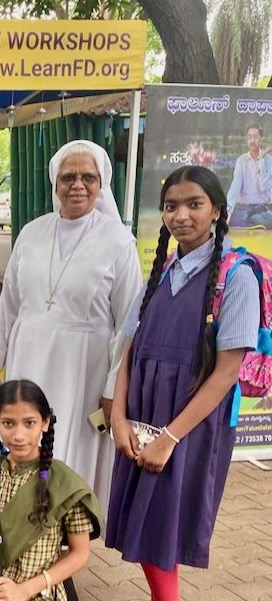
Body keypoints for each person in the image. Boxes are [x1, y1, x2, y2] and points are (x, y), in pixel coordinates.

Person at [106, 166, 260, 601]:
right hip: (142, 416)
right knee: (142, 525)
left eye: (194, 204)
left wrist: (170, 438)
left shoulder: (237, 276)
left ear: (216, 210)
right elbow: (130, 354)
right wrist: (118, 417)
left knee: (163, 529)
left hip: (188, 425)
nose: (181, 215)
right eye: (171, 205)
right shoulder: (161, 272)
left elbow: (226, 372)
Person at [0, 140, 142, 514]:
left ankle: (65, 535)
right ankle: (24, 526)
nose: (78, 185)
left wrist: (111, 388)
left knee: (71, 450)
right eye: (68, 176)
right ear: (55, 183)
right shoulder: (32, 233)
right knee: (25, 438)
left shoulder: (119, 242)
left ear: (102, 184)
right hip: (29, 357)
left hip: (84, 368)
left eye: (89, 177)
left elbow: (127, 327)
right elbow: (9, 307)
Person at [0, 380, 100, 601]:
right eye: (8, 423)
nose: (19, 435)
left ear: (45, 422)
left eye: (29, 423)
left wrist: (25, 589)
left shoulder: (65, 484)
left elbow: (79, 554)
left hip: (38, 592)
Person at [226, 124, 272, 228]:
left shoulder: (269, 161)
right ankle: (250, 221)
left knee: (265, 219)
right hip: (243, 208)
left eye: (255, 137)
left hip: (262, 208)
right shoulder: (241, 160)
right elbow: (235, 186)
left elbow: (264, 186)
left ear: (261, 139)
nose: (252, 140)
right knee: (227, 218)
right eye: (250, 137)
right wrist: (228, 210)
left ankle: (252, 221)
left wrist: (261, 160)